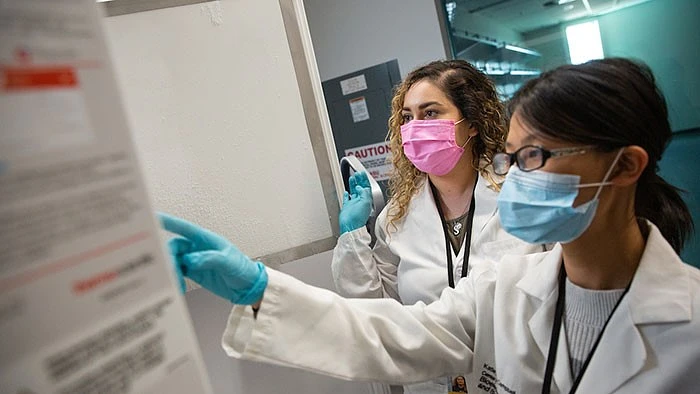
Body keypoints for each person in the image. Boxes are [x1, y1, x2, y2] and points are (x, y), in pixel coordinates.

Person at [160, 58, 698, 393]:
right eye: (512, 159)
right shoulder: (508, 290)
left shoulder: (690, 327)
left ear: (625, 165)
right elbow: (392, 330)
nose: (516, 178)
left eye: (536, 156)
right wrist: (261, 289)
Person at [334, 61, 545, 393]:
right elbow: (375, 310)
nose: (415, 126)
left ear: (471, 123)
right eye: (407, 117)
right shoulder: (397, 217)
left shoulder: (523, 197)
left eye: (430, 113)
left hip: (515, 379)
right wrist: (353, 237)